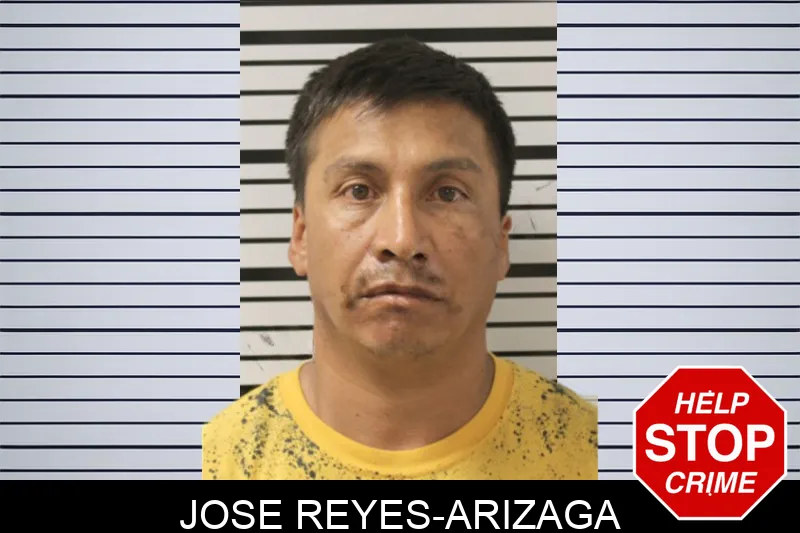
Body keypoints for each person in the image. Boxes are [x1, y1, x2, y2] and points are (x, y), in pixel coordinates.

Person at [203, 37, 597, 480]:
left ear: (501, 244)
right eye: (358, 190)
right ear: (302, 236)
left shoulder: (606, 459)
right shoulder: (212, 464)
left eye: (447, 194)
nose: (402, 239)